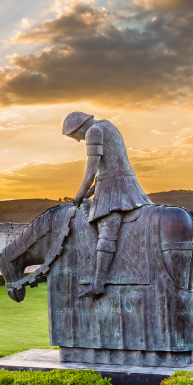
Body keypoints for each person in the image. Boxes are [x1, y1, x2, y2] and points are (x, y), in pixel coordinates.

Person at [63, 111, 153, 296]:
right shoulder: (108, 125)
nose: (77, 140)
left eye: (74, 136)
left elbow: (91, 172)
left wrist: (79, 196)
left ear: (78, 127)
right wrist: (90, 192)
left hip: (116, 191)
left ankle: (98, 283)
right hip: (123, 184)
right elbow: (111, 169)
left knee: (107, 234)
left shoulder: (93, 131)